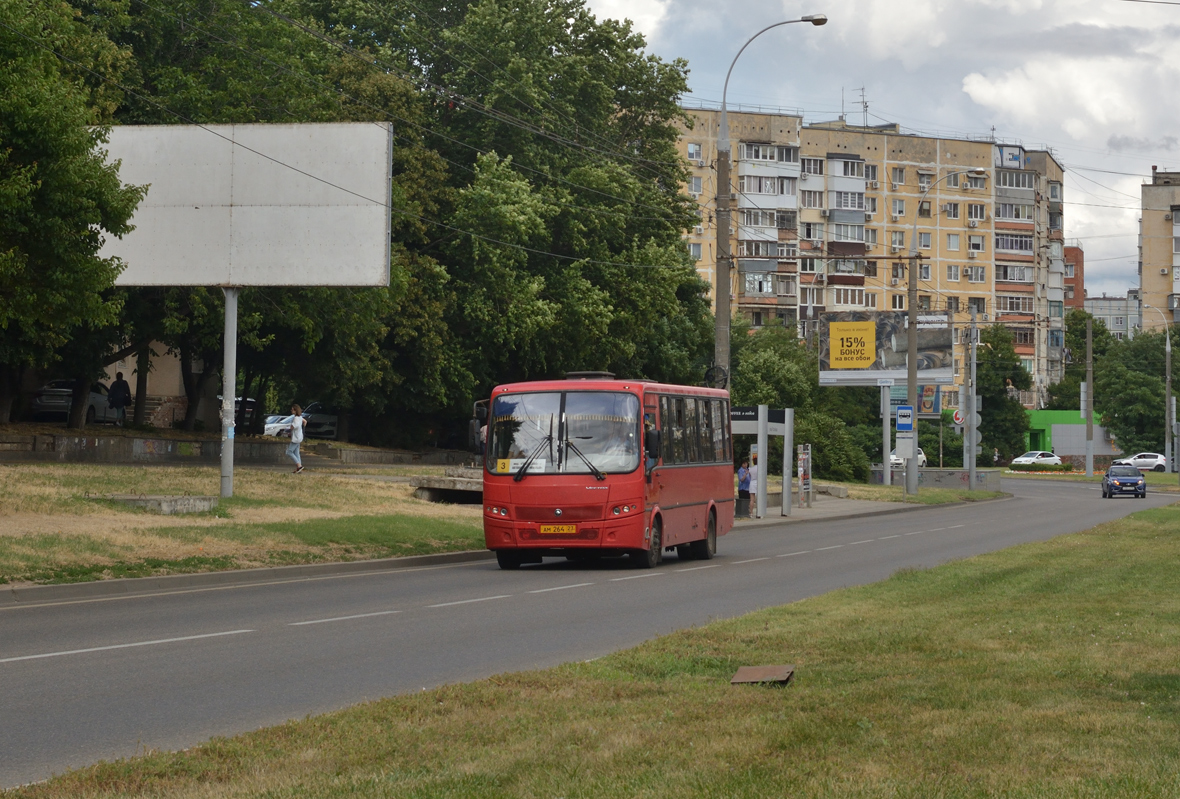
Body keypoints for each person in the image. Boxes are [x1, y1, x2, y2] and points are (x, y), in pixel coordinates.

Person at [287, 404, 306, 473]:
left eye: (292, 409)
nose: (291, 410)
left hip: (296, 438)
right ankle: (299, 469)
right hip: (299, 437)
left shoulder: (296, 418)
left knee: (289, 452)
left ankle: (299, 465)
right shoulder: (300, 417)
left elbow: (294, 426)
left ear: (295, 410)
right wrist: (303, 427)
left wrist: (290, 427)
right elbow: (305, 421)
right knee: (296, 453)